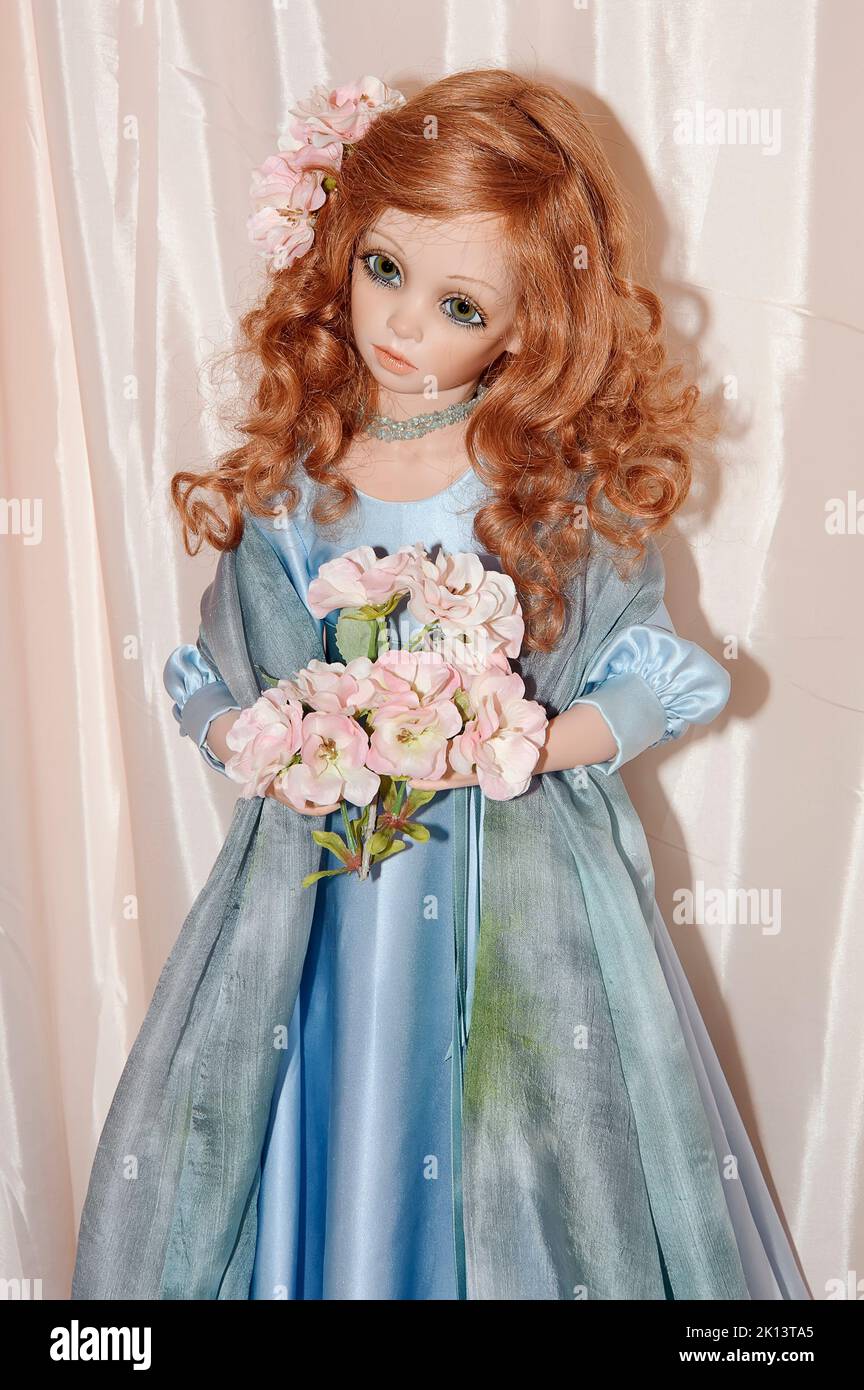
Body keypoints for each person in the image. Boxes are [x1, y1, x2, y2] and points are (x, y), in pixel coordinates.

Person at [72, 68, 810, 1301]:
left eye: (458, 304)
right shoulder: (297, 483)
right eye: (384, 269)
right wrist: (257, 735)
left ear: (525, 329)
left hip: (508, 890)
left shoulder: (544, 494)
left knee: (526, 1143)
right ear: (342, 252)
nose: (402, 325)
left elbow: (661, 676)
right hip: (320, 896)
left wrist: (519, 740)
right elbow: (211, 672)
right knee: (305, 1102)